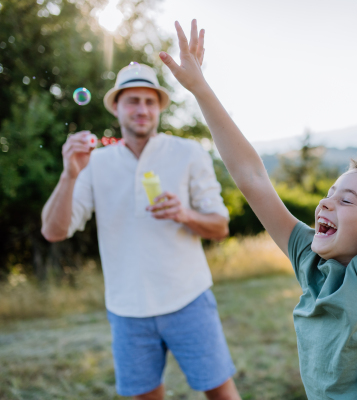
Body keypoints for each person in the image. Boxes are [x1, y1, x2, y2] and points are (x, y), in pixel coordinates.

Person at [159, 0, 357, 398]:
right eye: (329, 194)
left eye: (348, 201)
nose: (325, 204)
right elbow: (252, 179)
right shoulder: (311, 263)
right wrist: (199, 88)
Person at [40, 63, 241, 400]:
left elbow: (220, 226)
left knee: (221, 394)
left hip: (188, 299)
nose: (142, 109)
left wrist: (184, 213)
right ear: (116, 107)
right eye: (133, 101)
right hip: (127, 311)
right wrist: (70, 174)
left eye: (150, 102)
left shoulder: (188, 152)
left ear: (160, 108)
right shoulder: (95, 163)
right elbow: (53, 231)